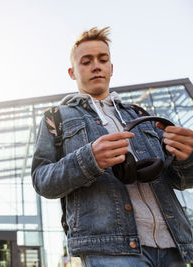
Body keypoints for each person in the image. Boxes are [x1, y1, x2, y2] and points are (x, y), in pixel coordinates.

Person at [31, 26, 193, 267]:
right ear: (72, 72)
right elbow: (42, 180)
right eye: (86, 61)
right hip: (110, 250)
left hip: (175, 246)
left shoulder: (141, 114)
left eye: (102, 59)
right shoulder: (55, 118)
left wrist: (187, 159)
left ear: (111, 68)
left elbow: (181, 181)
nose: (96, 66)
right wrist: (89, 159)